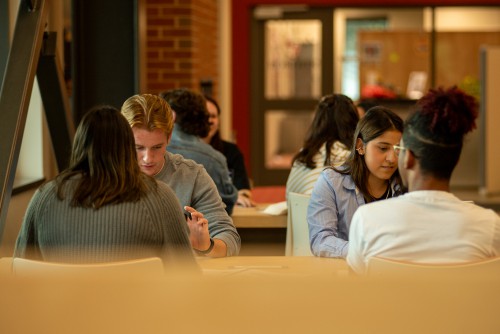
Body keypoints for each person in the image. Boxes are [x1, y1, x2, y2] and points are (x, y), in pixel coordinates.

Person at [14, 106, 197, 270]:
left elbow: (20, 269)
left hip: (59, 306)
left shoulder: (45, 197)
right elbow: (185, 274)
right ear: (127, 146)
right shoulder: (160, 196)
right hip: (136, 307)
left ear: (79, 143)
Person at [347, 86, 500, 274]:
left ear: (408, 158)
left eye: (398, 151)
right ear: (456, 160)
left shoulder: (367, 220)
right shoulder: (490, 226)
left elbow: (356, 290)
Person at [121, 94, 240, 258]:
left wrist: (206, 246)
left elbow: (229, 237)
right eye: (138, 147)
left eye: (157, 147)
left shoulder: (192, 175)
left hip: (178, 278)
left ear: (169, 137)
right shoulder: (105, 174)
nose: (148, 158)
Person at [308, 106, 405, 258]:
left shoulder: (405, 186)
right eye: (383, 148)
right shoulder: (332, 182)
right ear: (360, 146)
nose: (392, 158)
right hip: (344, 275)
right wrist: (367, 252)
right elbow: (321, 240)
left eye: (398, 149)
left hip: (393, 274)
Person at [160, 89, 239, 215]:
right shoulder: (215, 159)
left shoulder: (146, 152)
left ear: (172, 115)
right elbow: (225, 208)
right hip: (204, 231)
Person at [286, 93, 359, 197]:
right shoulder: (351, 159)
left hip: (300, 212)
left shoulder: (302, 157)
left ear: (317, 122)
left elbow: (289, 199)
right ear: (354, 124)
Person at [202, 95, 255, 207]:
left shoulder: (231, 151)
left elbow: (243, 190)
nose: (210, 121)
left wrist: (241, 198)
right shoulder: (182, 153)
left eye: (213, 116)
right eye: (205, 116)